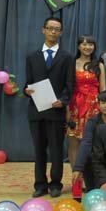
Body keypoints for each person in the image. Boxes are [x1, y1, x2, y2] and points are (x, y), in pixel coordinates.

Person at [24, 17, 75, 198]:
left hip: (56, 111)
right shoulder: (32, 56)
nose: (53, 31)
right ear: (43, 30)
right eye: (50, 28)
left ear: (61, 33)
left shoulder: (67, 57)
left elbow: (70, 85)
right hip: (36, 111)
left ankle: (55, 184)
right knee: (39, 151)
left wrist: (63, 100)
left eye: (57, 29)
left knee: (56, 151)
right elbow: (27, 82)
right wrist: (26, 90)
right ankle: (40, 185)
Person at [67, 35, 106, 170]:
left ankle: (93, 175)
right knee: (74, 141)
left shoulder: (99, 65)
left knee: (94, 141)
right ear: (78, 46)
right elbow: (68, 87)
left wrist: (104, 108)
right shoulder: (71, 63)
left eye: (90, 44)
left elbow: (103, 89)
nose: (87, 47)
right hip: (76, 105)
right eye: (84, 44)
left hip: (94, 105)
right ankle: (76, 175)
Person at [72, 90, 106, 192]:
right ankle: (90, 188)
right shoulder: (92, 122)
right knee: (87, 157)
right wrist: (78, 168)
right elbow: (86, 143)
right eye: (103, 102)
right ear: (98, 105)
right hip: (98, 160)